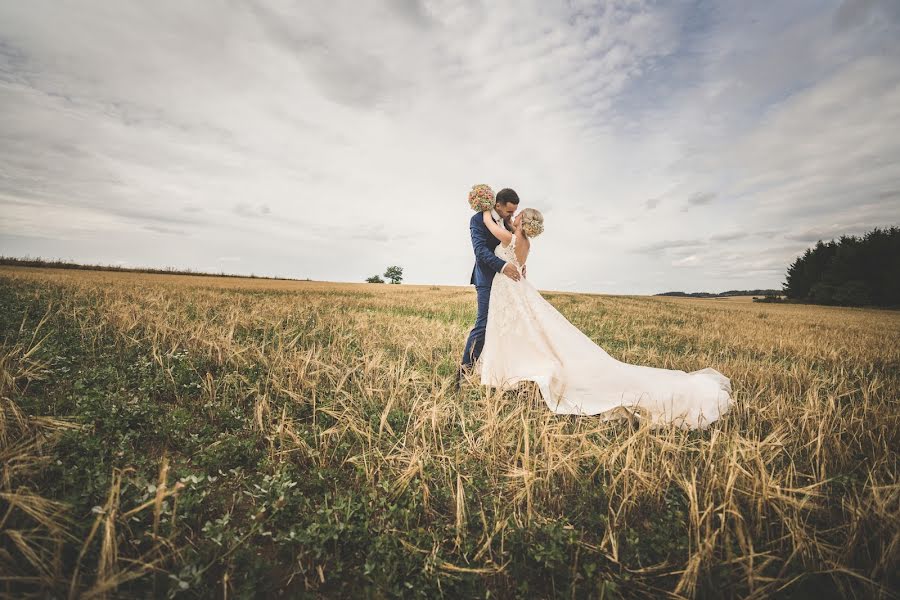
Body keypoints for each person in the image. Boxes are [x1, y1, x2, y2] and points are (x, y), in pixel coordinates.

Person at [474, 207, 733, 430]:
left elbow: (488, 223)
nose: (514, 216)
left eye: (518, 214)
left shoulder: (509, 236)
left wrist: (484, 205)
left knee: (519, 330)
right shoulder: (525, 242)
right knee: (525, 329)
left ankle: (508, 371)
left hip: (509, 288)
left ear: (522, 222)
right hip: (514, 288)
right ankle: (513, 370)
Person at [457, 188, 523, 388]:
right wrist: (503, 267)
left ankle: (496, 371)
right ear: (497, 205)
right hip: (486, 278)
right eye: (509, 211)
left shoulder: (505, 223)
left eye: (514, 212)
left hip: (506, 283)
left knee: (504, 324)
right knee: (483, 325)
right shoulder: (478, 220)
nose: (511, 216)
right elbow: (480, 251)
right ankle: (463, 375)